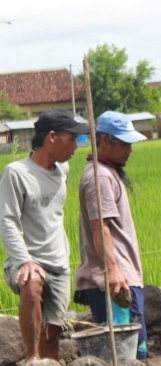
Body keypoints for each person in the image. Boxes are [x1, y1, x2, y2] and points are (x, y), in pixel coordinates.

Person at [0, 109, 89, 363]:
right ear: (52, 137)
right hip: (28, 261)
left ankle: (45, 359)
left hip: (59, 264)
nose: (76, 145)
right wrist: (25, 261)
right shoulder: (16, 173)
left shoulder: (64, 170)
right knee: (31, 282)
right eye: (72, 139)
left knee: (52, 344)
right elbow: (8, 222)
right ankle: (31, 358)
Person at [74, 111, 148, 360]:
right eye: (124, 143)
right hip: (116, 285)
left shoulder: (107, 172)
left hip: (122, 280)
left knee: (135, 353)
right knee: (124, 357)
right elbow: (100, 227)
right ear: (105, 141)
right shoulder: (100, 177)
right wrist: (114, 272)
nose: (129, 149)